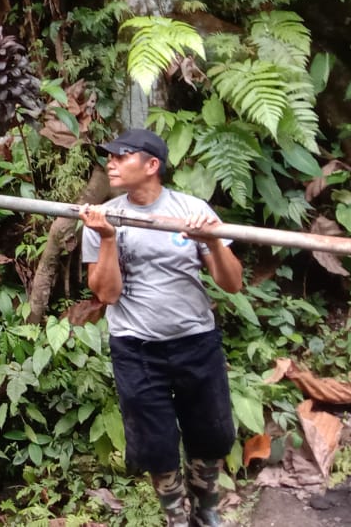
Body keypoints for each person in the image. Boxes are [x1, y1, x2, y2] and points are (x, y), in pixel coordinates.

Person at [79, 128, 244, 527]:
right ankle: (175, 516)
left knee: (211, 433)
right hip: (136, 348)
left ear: (152, 165)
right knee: (155, 443)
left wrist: (214, 241)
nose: (111, 163)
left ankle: (207, 511)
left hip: (196, 341)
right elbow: (107, 294)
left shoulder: (191, 210)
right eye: (110, 157)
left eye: (122, 156)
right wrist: (106, 239)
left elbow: (232, 283)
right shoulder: (104, 216)